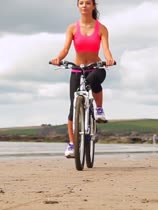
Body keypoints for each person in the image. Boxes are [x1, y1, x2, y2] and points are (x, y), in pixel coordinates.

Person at [51, 0, 115, 158]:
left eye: (88, 3)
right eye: (81, 3)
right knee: (73, 106)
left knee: (94, 80)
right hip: (77, 69)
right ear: (78, 6)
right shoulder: (72, 28)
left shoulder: (101, 28)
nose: (84, 5)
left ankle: (99, 109)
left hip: (95, 67)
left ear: (93, 6)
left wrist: (109, 59)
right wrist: (58, 58)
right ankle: (72, 144)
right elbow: (66, 48)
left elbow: (106, 49)